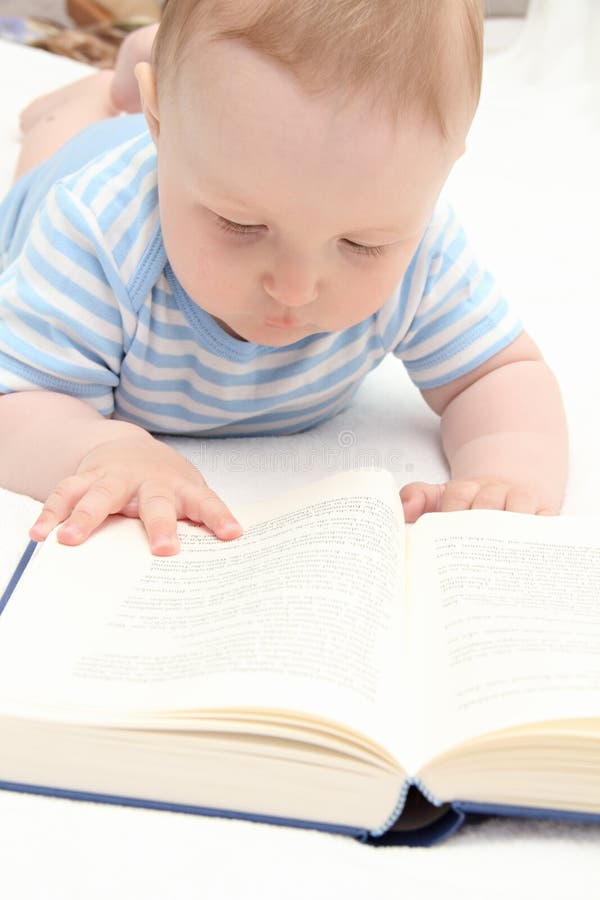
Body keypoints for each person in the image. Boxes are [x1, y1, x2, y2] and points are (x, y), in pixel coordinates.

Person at [0, 0, 567, 556]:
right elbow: (20, 399)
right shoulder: (96, 230)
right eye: (239, 223)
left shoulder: (420, 249)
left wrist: (505, 470)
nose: (295, 289)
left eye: (361, 244)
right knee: (56, 142)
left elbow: (497, 372)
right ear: (159, 124)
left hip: (196, 126)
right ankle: (97, 94)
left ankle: (151, 56)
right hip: (76, 166)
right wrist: (99, 448)